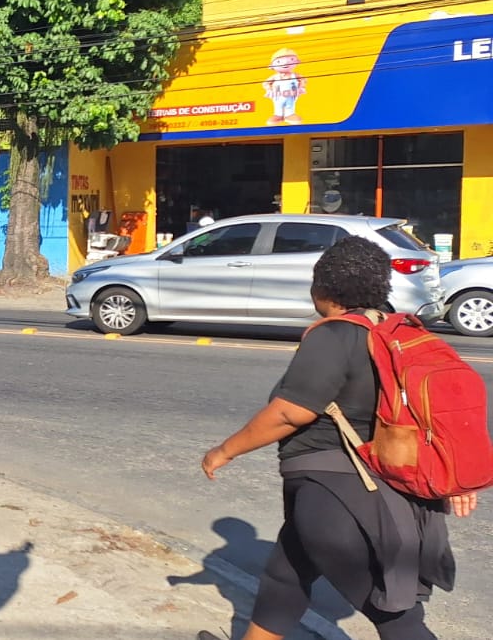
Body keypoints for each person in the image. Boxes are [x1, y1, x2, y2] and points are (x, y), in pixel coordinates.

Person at [200, 235, 477, 640]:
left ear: (322, 288)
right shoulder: (397, 333)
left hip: (336, 499)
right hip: (379, 496)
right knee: (285, 576)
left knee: (396, 617)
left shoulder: (335, 335)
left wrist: (223, 452)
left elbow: (289, 413)